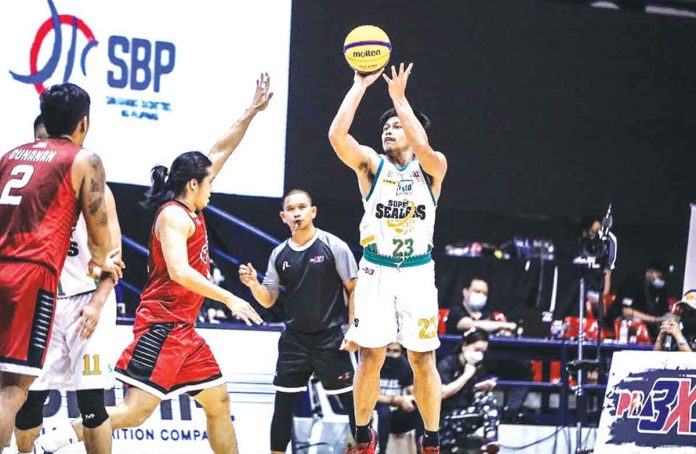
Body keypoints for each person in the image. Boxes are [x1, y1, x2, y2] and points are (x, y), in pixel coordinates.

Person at [37, 74, 272, 454]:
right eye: (209, 183)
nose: (214, 188)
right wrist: (229, 298)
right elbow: (180, 272)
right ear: (193, 184)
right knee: (133, 414)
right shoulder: (173, 216)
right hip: (162, 327)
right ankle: (61, 437)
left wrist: (251, 112)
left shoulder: (192, 202)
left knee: (219, 403)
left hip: (185, 330)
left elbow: (222, 148)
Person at [329, 62, 447, 454]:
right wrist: (360, 85)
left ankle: (430, 441)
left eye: (397, 125)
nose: (389, 129)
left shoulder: (432, 169)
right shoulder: (371, 165)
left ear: (414, 134)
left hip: (416, 272)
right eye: (386, 125)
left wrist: (400, 99)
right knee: (371, 356)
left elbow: (426, 148)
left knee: (422, 358)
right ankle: (363, 436)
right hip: (376, 269)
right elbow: (336, 135)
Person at [0, 83, 123, 453]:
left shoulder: (10, 156)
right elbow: (104, 247)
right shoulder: (84, 160)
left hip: (7, 270)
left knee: (15, 387)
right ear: (84, 122)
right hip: (34, 278)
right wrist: (103, 262)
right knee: (14, 393)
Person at [239, 188, 358, 453]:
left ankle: (365, 448)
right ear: (283, 216)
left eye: (301, 207)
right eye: (291, 209)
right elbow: (268, 299)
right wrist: (253, 285)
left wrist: (353, 328)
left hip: (331, 338)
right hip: (294, 340)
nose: (296, 213)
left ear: (312, 212)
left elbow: (354, 288)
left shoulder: (333, 245)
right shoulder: (279, 254)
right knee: (283, 407)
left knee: (353, 404)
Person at [438, 329, 499, 454]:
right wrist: (466, 376)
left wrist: (479, 389)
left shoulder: (477, 367)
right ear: (464, 345)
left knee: (488, 398)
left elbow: (469, 393)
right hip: (444, 417)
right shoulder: (447, 365)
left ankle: (491, 439)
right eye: (477, 350)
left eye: (483, 351)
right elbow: (442, 394)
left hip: (465, 413)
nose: (479, 355)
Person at [375, 342, 422, 453]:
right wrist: (397, 400)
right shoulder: (374, 365)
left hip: (397, 415)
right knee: (384, 411)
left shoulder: (405, 365)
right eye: (388, 350)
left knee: (422, 411)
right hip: (375, 413)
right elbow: (369, 395)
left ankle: (422, 450)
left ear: (401, 353)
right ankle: (380, 451)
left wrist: (412, 400)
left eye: (395, 351)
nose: (390, 354)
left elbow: (412, 389)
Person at [616, 261, 672, 340]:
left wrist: (668, 317)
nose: (661, 281)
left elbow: (663, 310)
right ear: (651, 272)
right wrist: (654, 319)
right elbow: (626, 311)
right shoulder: (634, 282)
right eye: (660, 277)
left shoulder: (659, 289)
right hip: (625, 325)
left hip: (648, 327)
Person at [446, 278, 517, 335]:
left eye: (484, 293)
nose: (481, 295)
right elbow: (470, 324)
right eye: (477, 291)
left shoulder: (488, 315)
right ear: (465, 292)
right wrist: (504, 325)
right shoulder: (456, 312)